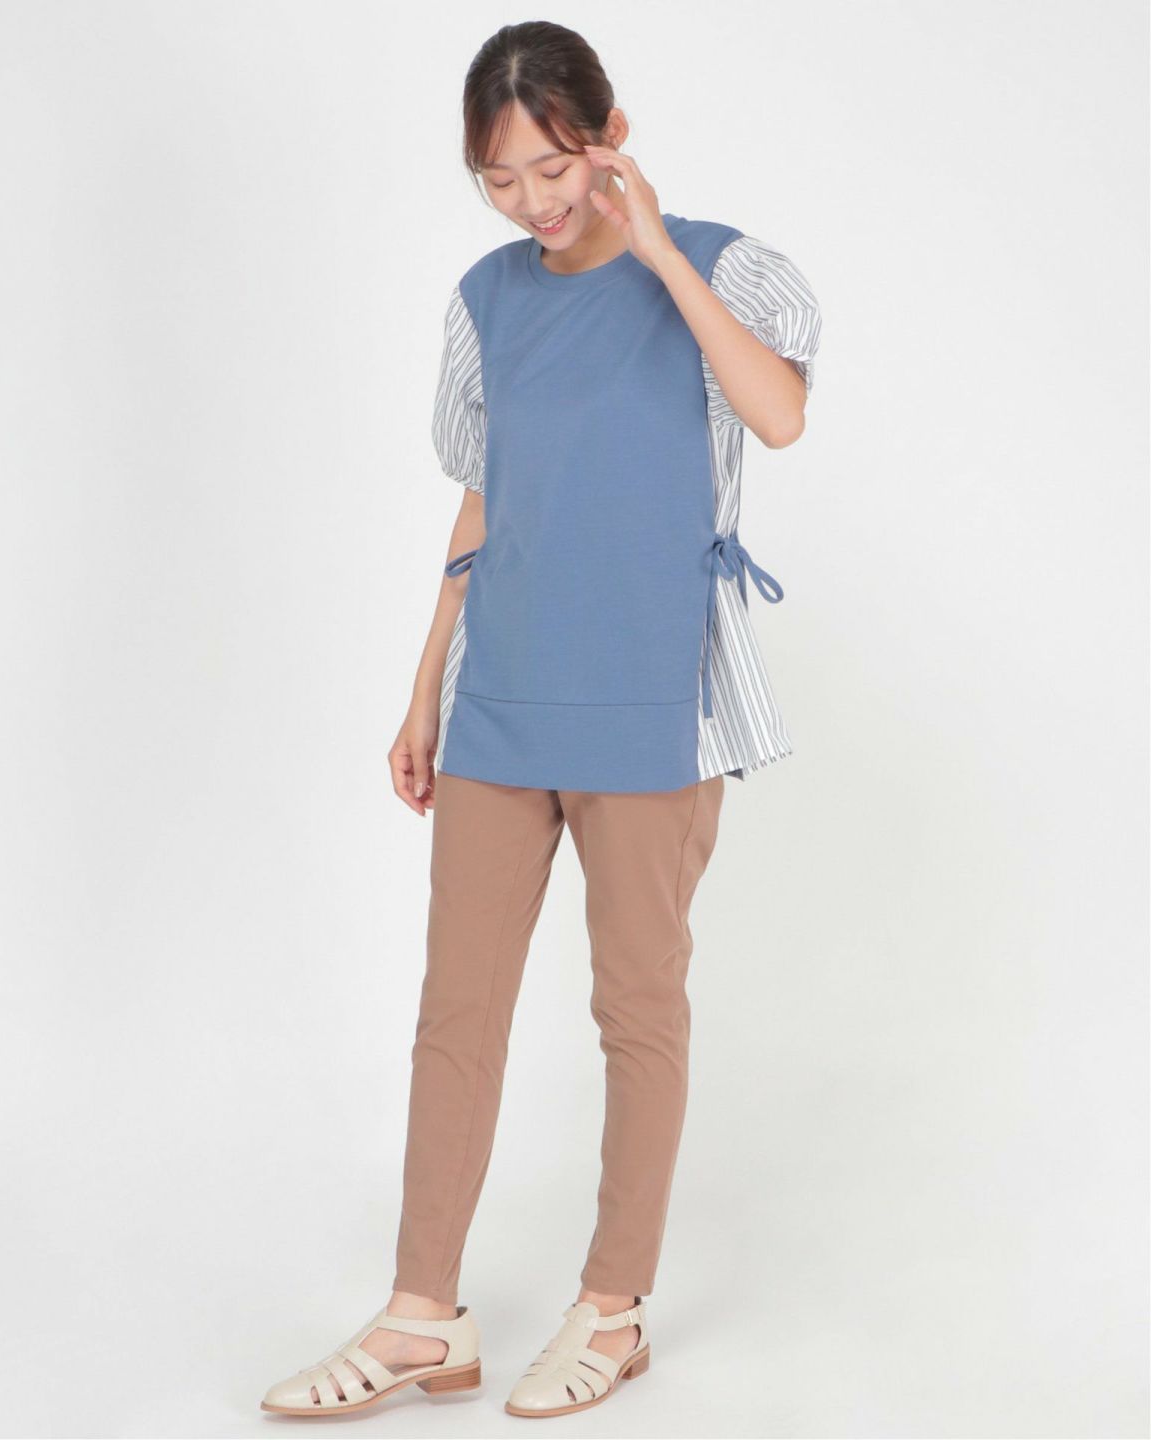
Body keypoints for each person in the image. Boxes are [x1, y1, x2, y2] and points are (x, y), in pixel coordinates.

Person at [261, 19, 821, 1421]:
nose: (531, 203)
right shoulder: (486, 301)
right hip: (501, 695)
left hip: (652, 699)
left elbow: (778, 414)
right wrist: (424, 684)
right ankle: (422, 1320)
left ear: (610, 136)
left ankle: (613, 1310)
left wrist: (658, 257)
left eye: (554, 168)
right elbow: (485, 500)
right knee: (456, 1011)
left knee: (637, 1007)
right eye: (500, 180)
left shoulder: (729, 267)